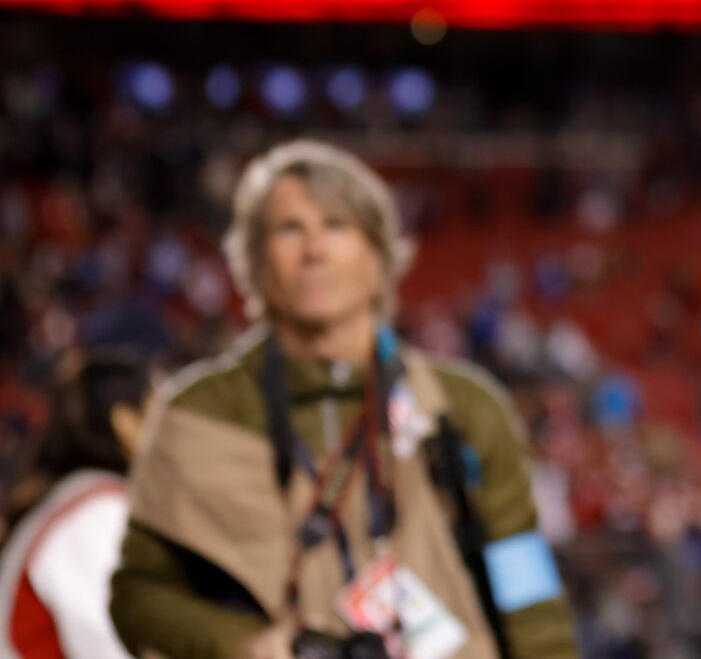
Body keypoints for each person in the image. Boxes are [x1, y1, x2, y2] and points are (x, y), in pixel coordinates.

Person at [110, 139, 578, 659]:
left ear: (378, 255)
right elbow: (138, 596)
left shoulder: (464, 406)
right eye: (291, 229)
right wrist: (247, 646)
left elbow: (526, 580)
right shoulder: (198, 414)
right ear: (256, 262)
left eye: (336, 226)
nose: (315, 249)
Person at [0, 352, 152, 659]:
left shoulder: (74, 499)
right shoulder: (97, 513)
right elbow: (112, 649)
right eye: (159, 411)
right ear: (126, 424)